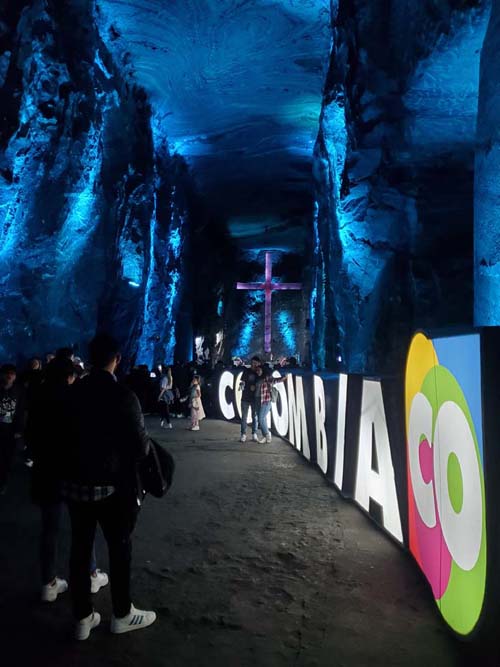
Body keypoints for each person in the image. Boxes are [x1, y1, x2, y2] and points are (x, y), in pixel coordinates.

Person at [60, 333, 156, 640]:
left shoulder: (72, 393)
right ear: (117, 359)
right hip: (113, 487)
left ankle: (82, 618)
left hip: (76, 486)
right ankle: (122, 613)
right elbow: (140, 448)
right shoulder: (124, 396)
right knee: (119, 548)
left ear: (89, 360)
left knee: (80, 549)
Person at [27, 358, 108, 602]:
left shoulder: (37, 397)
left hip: (44, 472)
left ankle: (48, 583)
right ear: (70, 376)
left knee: (49, 530)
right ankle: (91, 575)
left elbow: (30, 436)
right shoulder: (74, 398)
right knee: (83, 528)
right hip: (72, 473)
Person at [0, 364, 24, 495]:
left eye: (12, 373)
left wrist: (19, 429)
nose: (9, 375)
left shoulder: (18, 390)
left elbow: (20, 411)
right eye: (7, 373)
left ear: (15, 376)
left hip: (10, 430)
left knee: (6, 457)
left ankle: (2, 482)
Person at [239, 356, 261, 443]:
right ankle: (243, 434)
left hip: (255, 398)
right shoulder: (246, 371)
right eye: (252, 363)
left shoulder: (259, 373)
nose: (254, 365)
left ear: (258, 363)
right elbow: (242, 381)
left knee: (254, 417)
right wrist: (242, 385)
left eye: (255, 363)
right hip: (245, 397)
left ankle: (254, 433)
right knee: (244, 417)